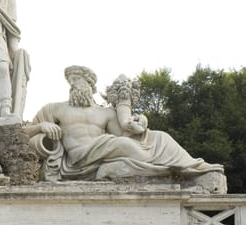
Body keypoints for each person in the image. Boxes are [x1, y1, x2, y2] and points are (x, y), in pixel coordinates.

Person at [24, 65, 224, 180]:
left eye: (77, 79)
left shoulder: (106, 113)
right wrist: (41, 126)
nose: (72, 84)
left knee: (160, 137)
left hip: (106, 150)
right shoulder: (54, 108)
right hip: (78, 158)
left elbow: (127, 133)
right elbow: (22, 135)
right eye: (71, 80)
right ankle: (167, 164)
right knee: (120, 144)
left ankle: (192, 166)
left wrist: (141, 122)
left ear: (90, 85)